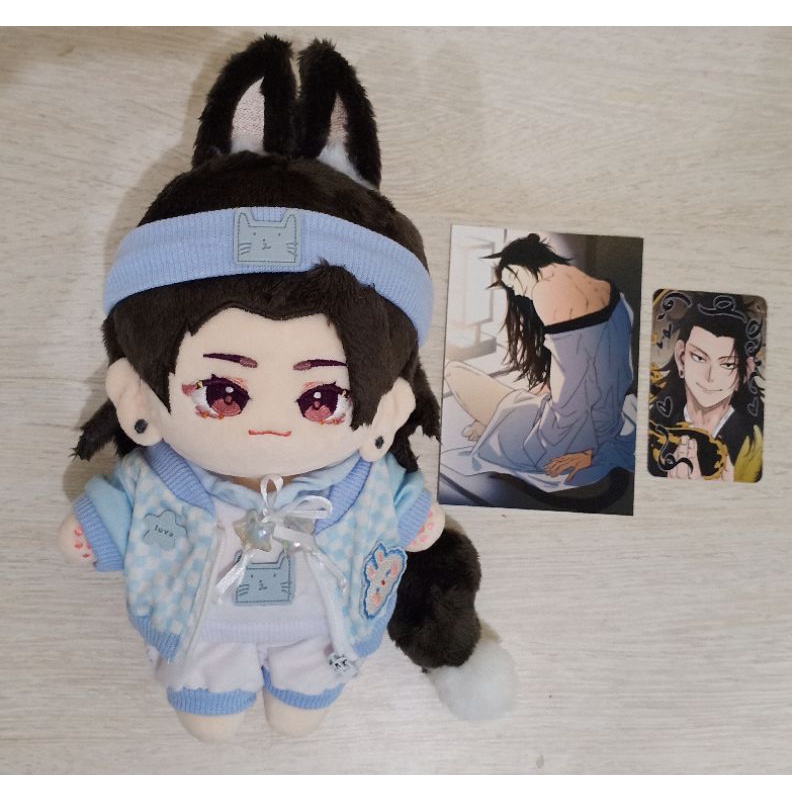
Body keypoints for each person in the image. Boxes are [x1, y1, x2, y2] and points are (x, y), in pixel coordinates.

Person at [56, 35, 512, 743]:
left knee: (305, 706)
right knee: (208, 715)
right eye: (223, 391)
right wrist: (95, 529)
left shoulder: (363, 483)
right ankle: (211, 697)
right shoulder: (164, 481)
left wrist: (417, 521)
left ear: (387, 410)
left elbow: (400, 512)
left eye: (322, 399)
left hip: (323, 641)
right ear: (138, 396)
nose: (270, 423)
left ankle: (304, 692)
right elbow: (118, 511)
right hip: (200, 640)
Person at [442, 233, 636, 492]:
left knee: (454, 372)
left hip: (560, 441)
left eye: (512, 280)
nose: (515, 291)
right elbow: (610, 375)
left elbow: (570, 392)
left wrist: (574, 446)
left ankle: (496, 424)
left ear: (522, 266)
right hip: (608, 426)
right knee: (524, 396)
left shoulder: (547, 288)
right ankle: (495, 421)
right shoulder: (609, 290)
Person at [648, 291, 764, 482]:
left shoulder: (754, 443)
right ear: (681, 357)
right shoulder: (655, 426)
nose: (710, 377)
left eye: (728, 364)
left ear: (745, 372)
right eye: (699, 357)